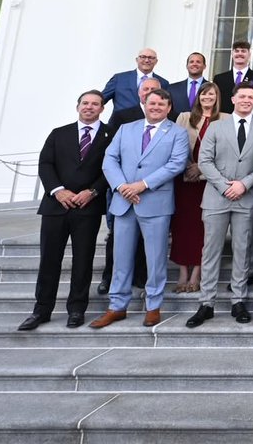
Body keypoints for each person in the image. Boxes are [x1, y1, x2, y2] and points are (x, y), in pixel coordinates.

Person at [91, 88, 188, 329]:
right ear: (144, 103)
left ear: (168, 108)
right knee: (121, 257)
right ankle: (117, 306)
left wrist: (142, 185)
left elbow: (176, 164)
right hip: (124, 202)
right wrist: (122, 186)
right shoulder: (126, 129)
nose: (155, 107)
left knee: (155, 259)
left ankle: (153, 306)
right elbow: (109, 159)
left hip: (155, 202)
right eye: (152, 103)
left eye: (161, 104)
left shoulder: (177, 133)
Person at [19, 90, 112, 331]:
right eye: (85, 103)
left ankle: (77, 309)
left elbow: (111, 168)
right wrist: (58, 190)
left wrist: (92, 192)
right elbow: (45, 164)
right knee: (49, 260)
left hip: (87, 207)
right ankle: (41, 310)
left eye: (95, 104)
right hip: (55, 207)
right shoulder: (59, 134)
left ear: (102, 108)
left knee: (83, 261)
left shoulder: (109, 135)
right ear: (77, 106)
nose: (89, 107)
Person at [185, 84, 253, 328]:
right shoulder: (216, 126)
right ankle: (206, 303)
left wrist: (243, 185)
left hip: (246, 197)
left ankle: (238, 300)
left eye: (251, 97)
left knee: (242, 249)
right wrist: (225, 186)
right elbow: (204, 160)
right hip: (216, 197)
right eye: (242, 96)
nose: (246, 100)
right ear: (233, 99)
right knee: (211, 250)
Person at [98, 76, 162, 294]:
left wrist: (142, 185)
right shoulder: (123, 116)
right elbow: (111, 152)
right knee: (116, 238)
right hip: (123, 190)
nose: (150, 94)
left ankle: (141, 277)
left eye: (155, 90)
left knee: (147, 240)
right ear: (139, 94)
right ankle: (109, 277)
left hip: (152, 191)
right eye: (146, 90)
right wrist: (123, 186)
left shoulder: (167, 117)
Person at [172, 82, 223, 294]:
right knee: (182, 226)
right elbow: (175, 145)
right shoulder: (184, 117)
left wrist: (200, 170)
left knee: (203, 228)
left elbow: (224, 152)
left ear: (217, 97)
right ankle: (183, 272)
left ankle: (197, 273)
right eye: (204, 93)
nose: (207, 97)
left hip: (209, 182)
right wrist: (187, 168)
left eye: (211, 93)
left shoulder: (225, 119)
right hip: (185, 181)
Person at [101, 48, 168, 114]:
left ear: (156, 61)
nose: (147, 60)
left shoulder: (163, 83)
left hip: (149, 123)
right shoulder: (119, 79)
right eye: (143, 57)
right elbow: (101, 100)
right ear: (137, 60)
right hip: (121, 122)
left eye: (151, 58)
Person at [213, 40, 253, 111]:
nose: (240, 54)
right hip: (224, 118)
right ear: (232, 54)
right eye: (237, 51)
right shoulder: (219, 79)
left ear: (249, 54)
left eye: (243, 51)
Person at [167, 52, 208, 118]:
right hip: (177, 125)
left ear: (204, 66)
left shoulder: (211, 88)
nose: (194, 64)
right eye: (191, 62)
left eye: (198, 62)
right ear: (187, 66)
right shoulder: (172, 88)